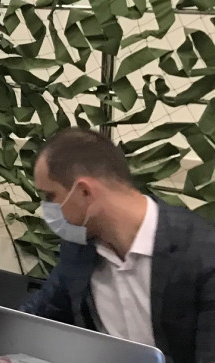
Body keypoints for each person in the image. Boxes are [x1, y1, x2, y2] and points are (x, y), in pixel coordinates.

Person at [22, 128, 215, 363]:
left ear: (84, 192)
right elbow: (37, 317)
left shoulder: (203, 255)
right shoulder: (80, 249)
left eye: (50, 196)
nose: (47, 209)